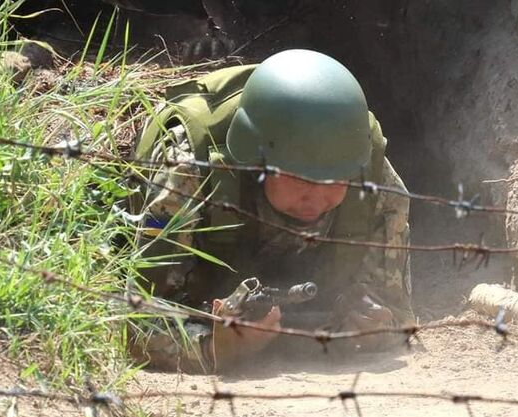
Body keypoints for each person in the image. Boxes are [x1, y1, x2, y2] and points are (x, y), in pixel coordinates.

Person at [129, 49, 414, 373]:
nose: (316, 198)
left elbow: (398, 315)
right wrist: (213, 347)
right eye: (301, 178)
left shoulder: (370, 172)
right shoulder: (190, 169)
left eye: (336, 179)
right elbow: (134, 323)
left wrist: (375, 326)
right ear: (257, 163)